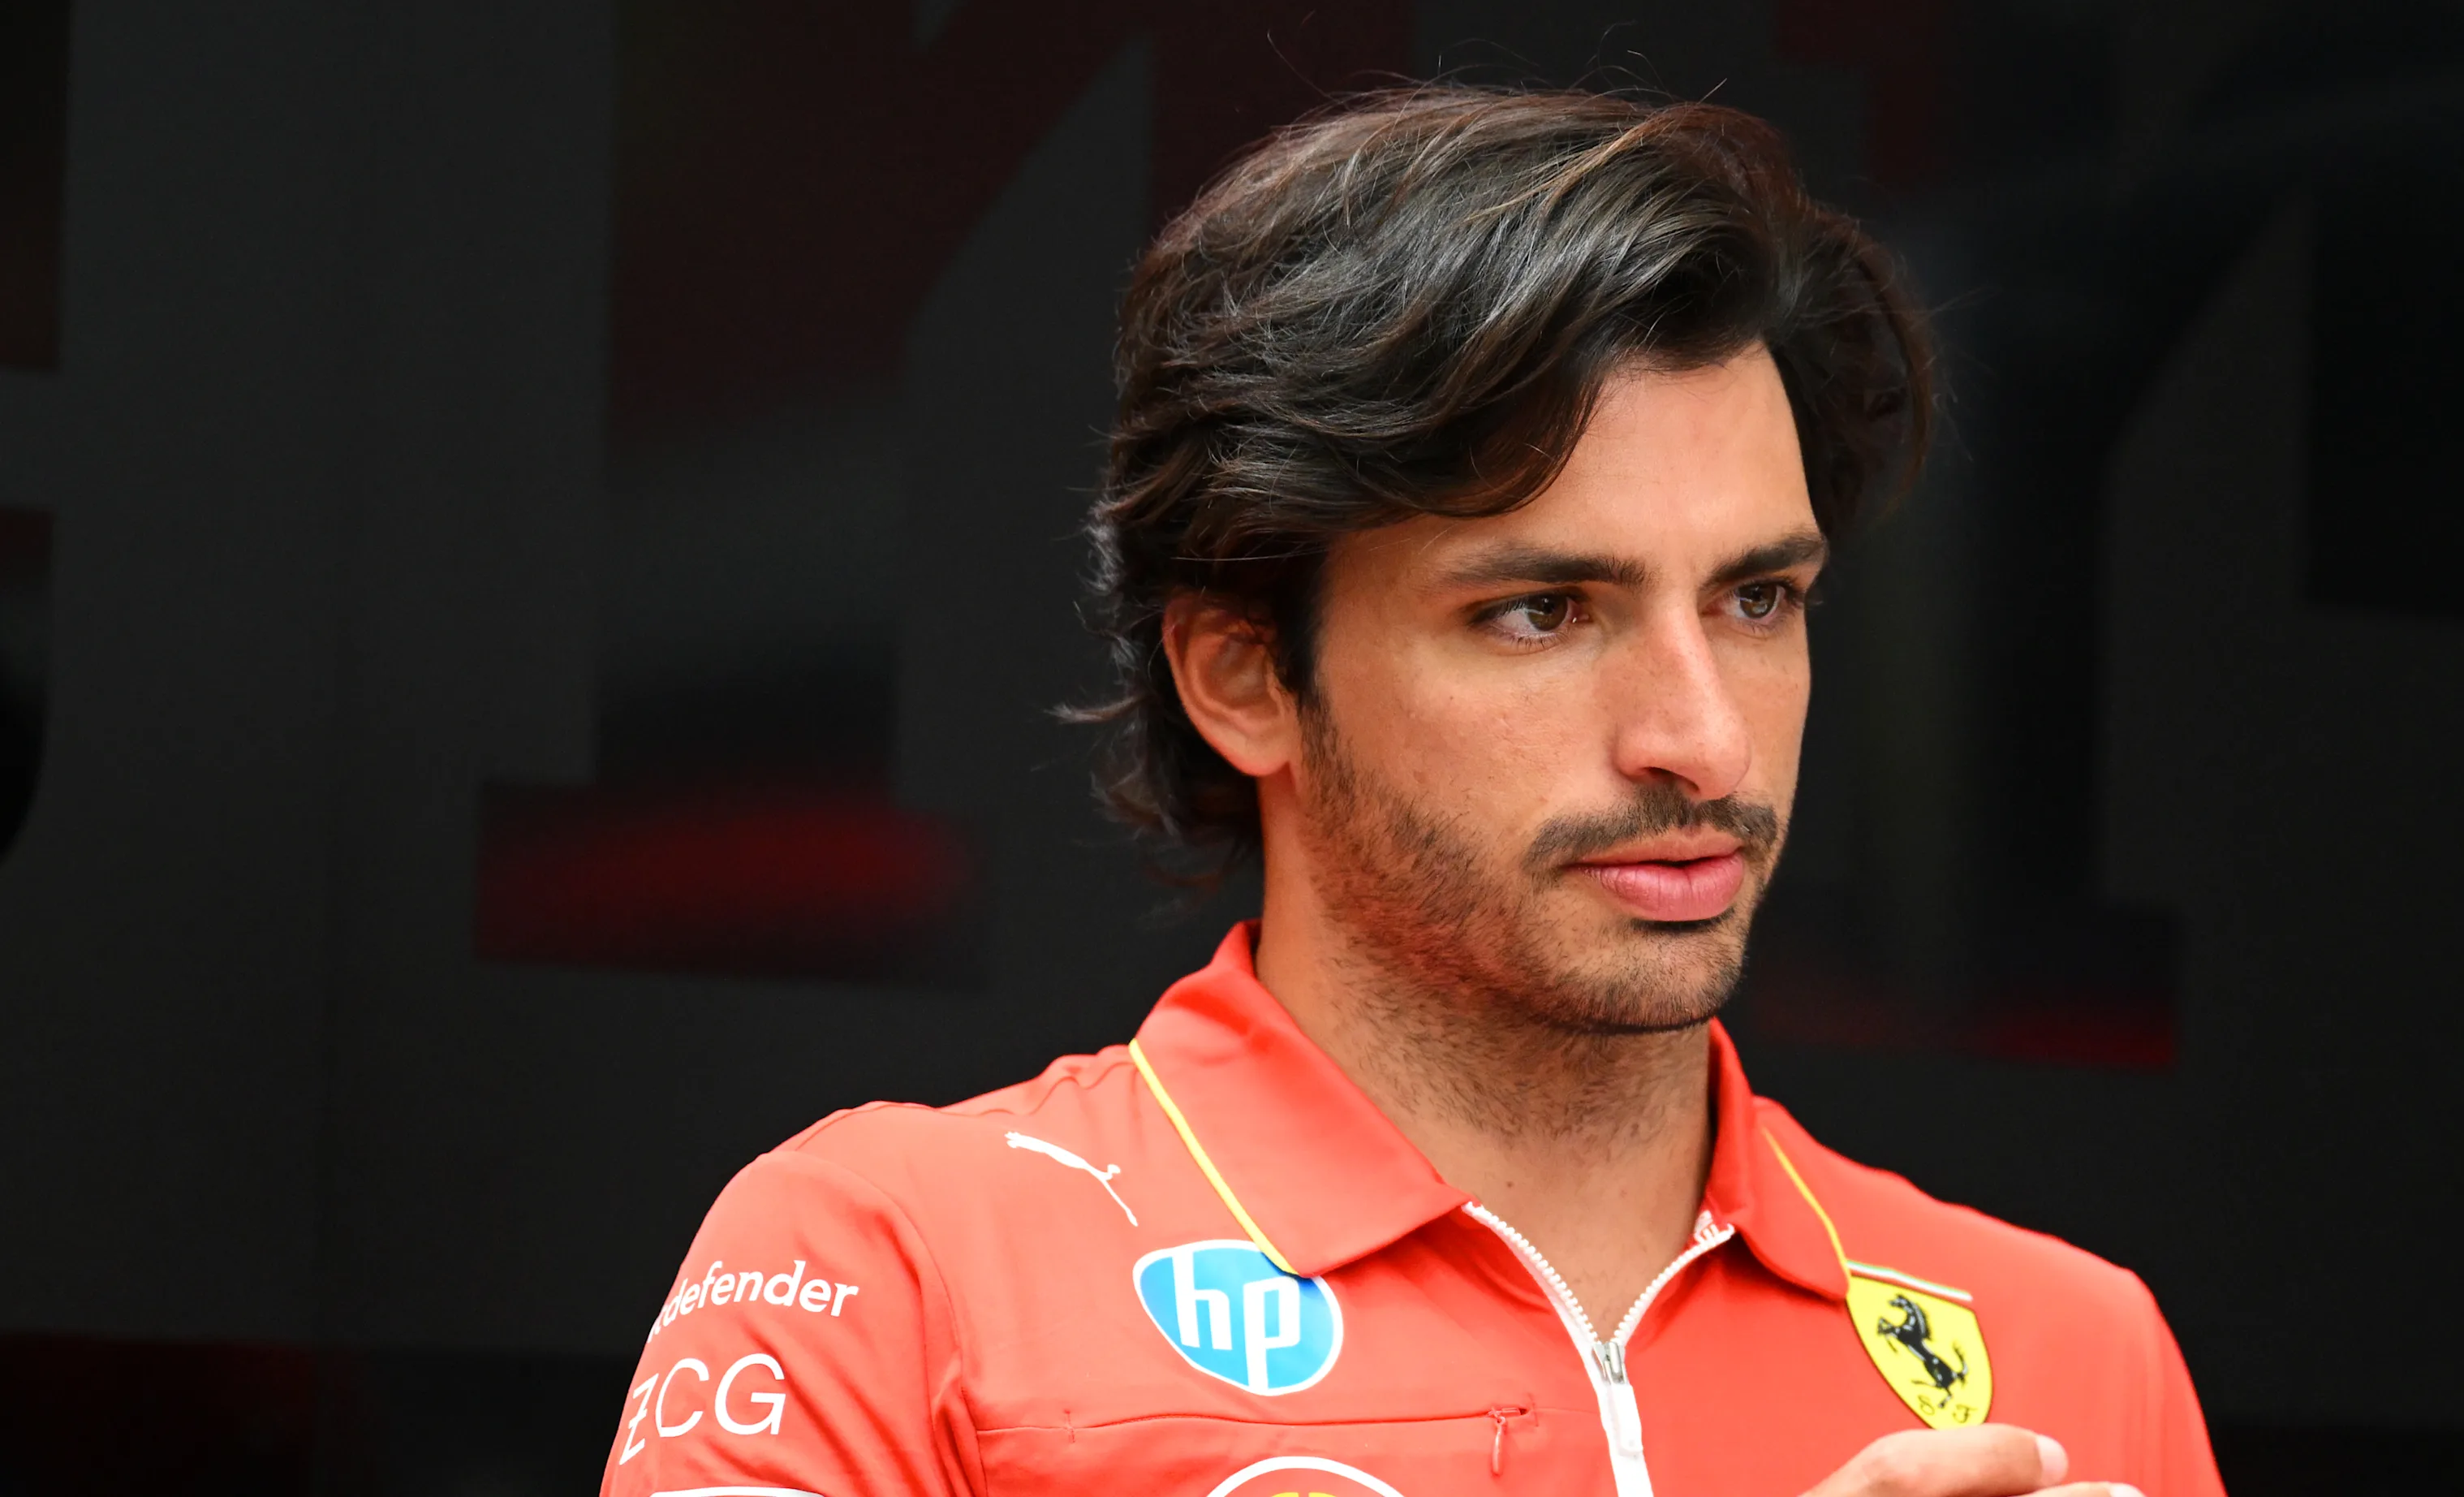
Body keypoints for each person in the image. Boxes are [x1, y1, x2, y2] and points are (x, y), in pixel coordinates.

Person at [601, 84, 2225, 1497]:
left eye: (1755, 601)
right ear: (1241, 673)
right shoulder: (892, 1273)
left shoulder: (2070, 1355)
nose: (1701, 740)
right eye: (1540, 612)